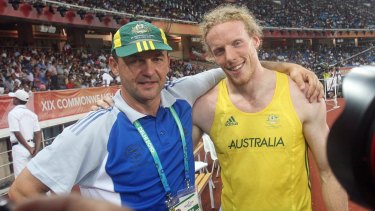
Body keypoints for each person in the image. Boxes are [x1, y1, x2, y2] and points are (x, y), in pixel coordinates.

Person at [9, 21, 322, 210]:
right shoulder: (96, 130)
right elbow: (21, 192)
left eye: (157, 58)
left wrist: (290, 67)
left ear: (168, 62)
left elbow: (237, 64)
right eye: (135, 61)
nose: (149, 71)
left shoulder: (182, 95)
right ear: (114, 66)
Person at [192, 5, 348, 211]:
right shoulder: (204, 108)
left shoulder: (301, 95)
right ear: (212, 56)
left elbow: (330, 171)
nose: (229, 56)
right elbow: (172, 168)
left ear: (256, 40)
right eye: (219, 51)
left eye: (237, 43)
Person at [8, 89, 42, 178]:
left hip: (20, 148)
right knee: (34, 176)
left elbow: (17, 133)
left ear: (17, 100)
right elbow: (38, 133)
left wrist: (29, 148)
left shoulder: (13, 113)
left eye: (14, 98)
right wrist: (36, 150)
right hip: (32, 146)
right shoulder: (32, 114)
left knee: (21, 178)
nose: (13, 99)